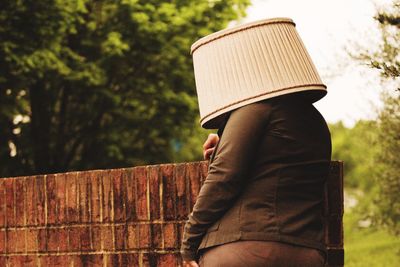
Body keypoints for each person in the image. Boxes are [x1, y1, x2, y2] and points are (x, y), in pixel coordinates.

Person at [180, 94, 331, 267]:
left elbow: (223, 177)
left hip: (244, 250)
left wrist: (188, 243)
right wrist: (224, 141)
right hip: (308, 253)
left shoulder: (254, 107)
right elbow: (276, 155)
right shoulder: (316, 120)